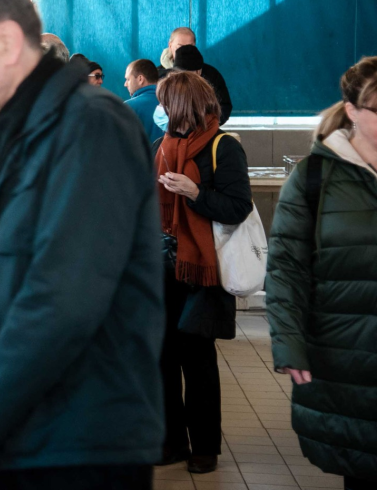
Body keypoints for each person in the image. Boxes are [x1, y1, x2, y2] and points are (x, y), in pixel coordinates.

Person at [0, 0, 164, 490]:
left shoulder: (93, 126)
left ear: (6, 42)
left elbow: (62, 300)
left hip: (78, 446)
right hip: (9, 437)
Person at [266, 56, 377, 489]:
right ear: (351, 110)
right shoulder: (316, 176)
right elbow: (287, 268)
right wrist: (289, 342)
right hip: (346, 357)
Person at [154, 71, 252, 474]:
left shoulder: (223, 148)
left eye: (165, 104)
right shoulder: (161, 146)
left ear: (180, 107)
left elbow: (237, 207)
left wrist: (195, 194)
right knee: (161, 359)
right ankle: (171, 442)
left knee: (197, 360)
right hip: (162, 267)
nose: (160, 111)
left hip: (203, 270)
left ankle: (204, 447)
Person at [158, 27, 232, 122]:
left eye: (190, 47)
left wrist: (205, 126)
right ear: (170, 45)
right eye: (180, 47)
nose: (185, 51)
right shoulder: (158, 76)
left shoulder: (211, 74)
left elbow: (224, 106)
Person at [125, 59, 165, 142]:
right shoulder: (173, 102)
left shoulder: (128, 107)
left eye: (128, 79)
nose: (125, 84)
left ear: (140, 79)